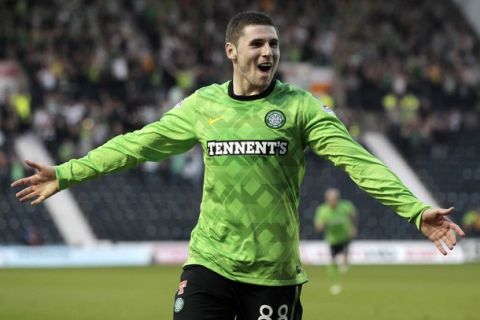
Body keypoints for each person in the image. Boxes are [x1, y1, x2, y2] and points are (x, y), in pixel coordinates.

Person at [11, 11, 465, 320]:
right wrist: (67, 172)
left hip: (273, 274)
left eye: (274, 44)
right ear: (232, 51)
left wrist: (413, 208)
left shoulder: (301, 107)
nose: (268, 52)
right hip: (210, 262)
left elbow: (357, 162)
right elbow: (137, 145)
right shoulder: (202, 105)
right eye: (257, 44)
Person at [314, 188, 357, 295]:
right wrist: (322, 224)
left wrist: (353, 226)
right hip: (332, 240)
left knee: (344, 255)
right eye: (330, 199)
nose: (332, 201)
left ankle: (344, 259)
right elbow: (318, 227)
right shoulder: (322, 210)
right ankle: (335, 283)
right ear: (327, 199)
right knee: (333, 262)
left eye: (334, 199)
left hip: (344, 237)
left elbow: (354, 213)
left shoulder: (345, 206)